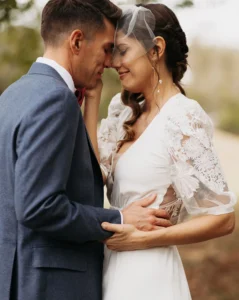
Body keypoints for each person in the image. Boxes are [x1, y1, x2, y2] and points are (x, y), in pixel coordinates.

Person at [0, 1, 173, 300]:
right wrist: (119, 218)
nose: (109, 62)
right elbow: (38, 207)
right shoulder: (56, 100)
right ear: (77, 41)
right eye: (107, 48)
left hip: (15, 275)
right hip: (50, 286)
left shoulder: (13, 94)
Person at [94, 4, 237, 300]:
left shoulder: (184, 118)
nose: (113, 62)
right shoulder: (122, 113)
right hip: (108, 267)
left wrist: (143, 239)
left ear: (156, 49)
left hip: (150, 272)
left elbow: (223, 218)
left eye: (122, 51)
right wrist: (91, 99)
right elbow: (92, 174)